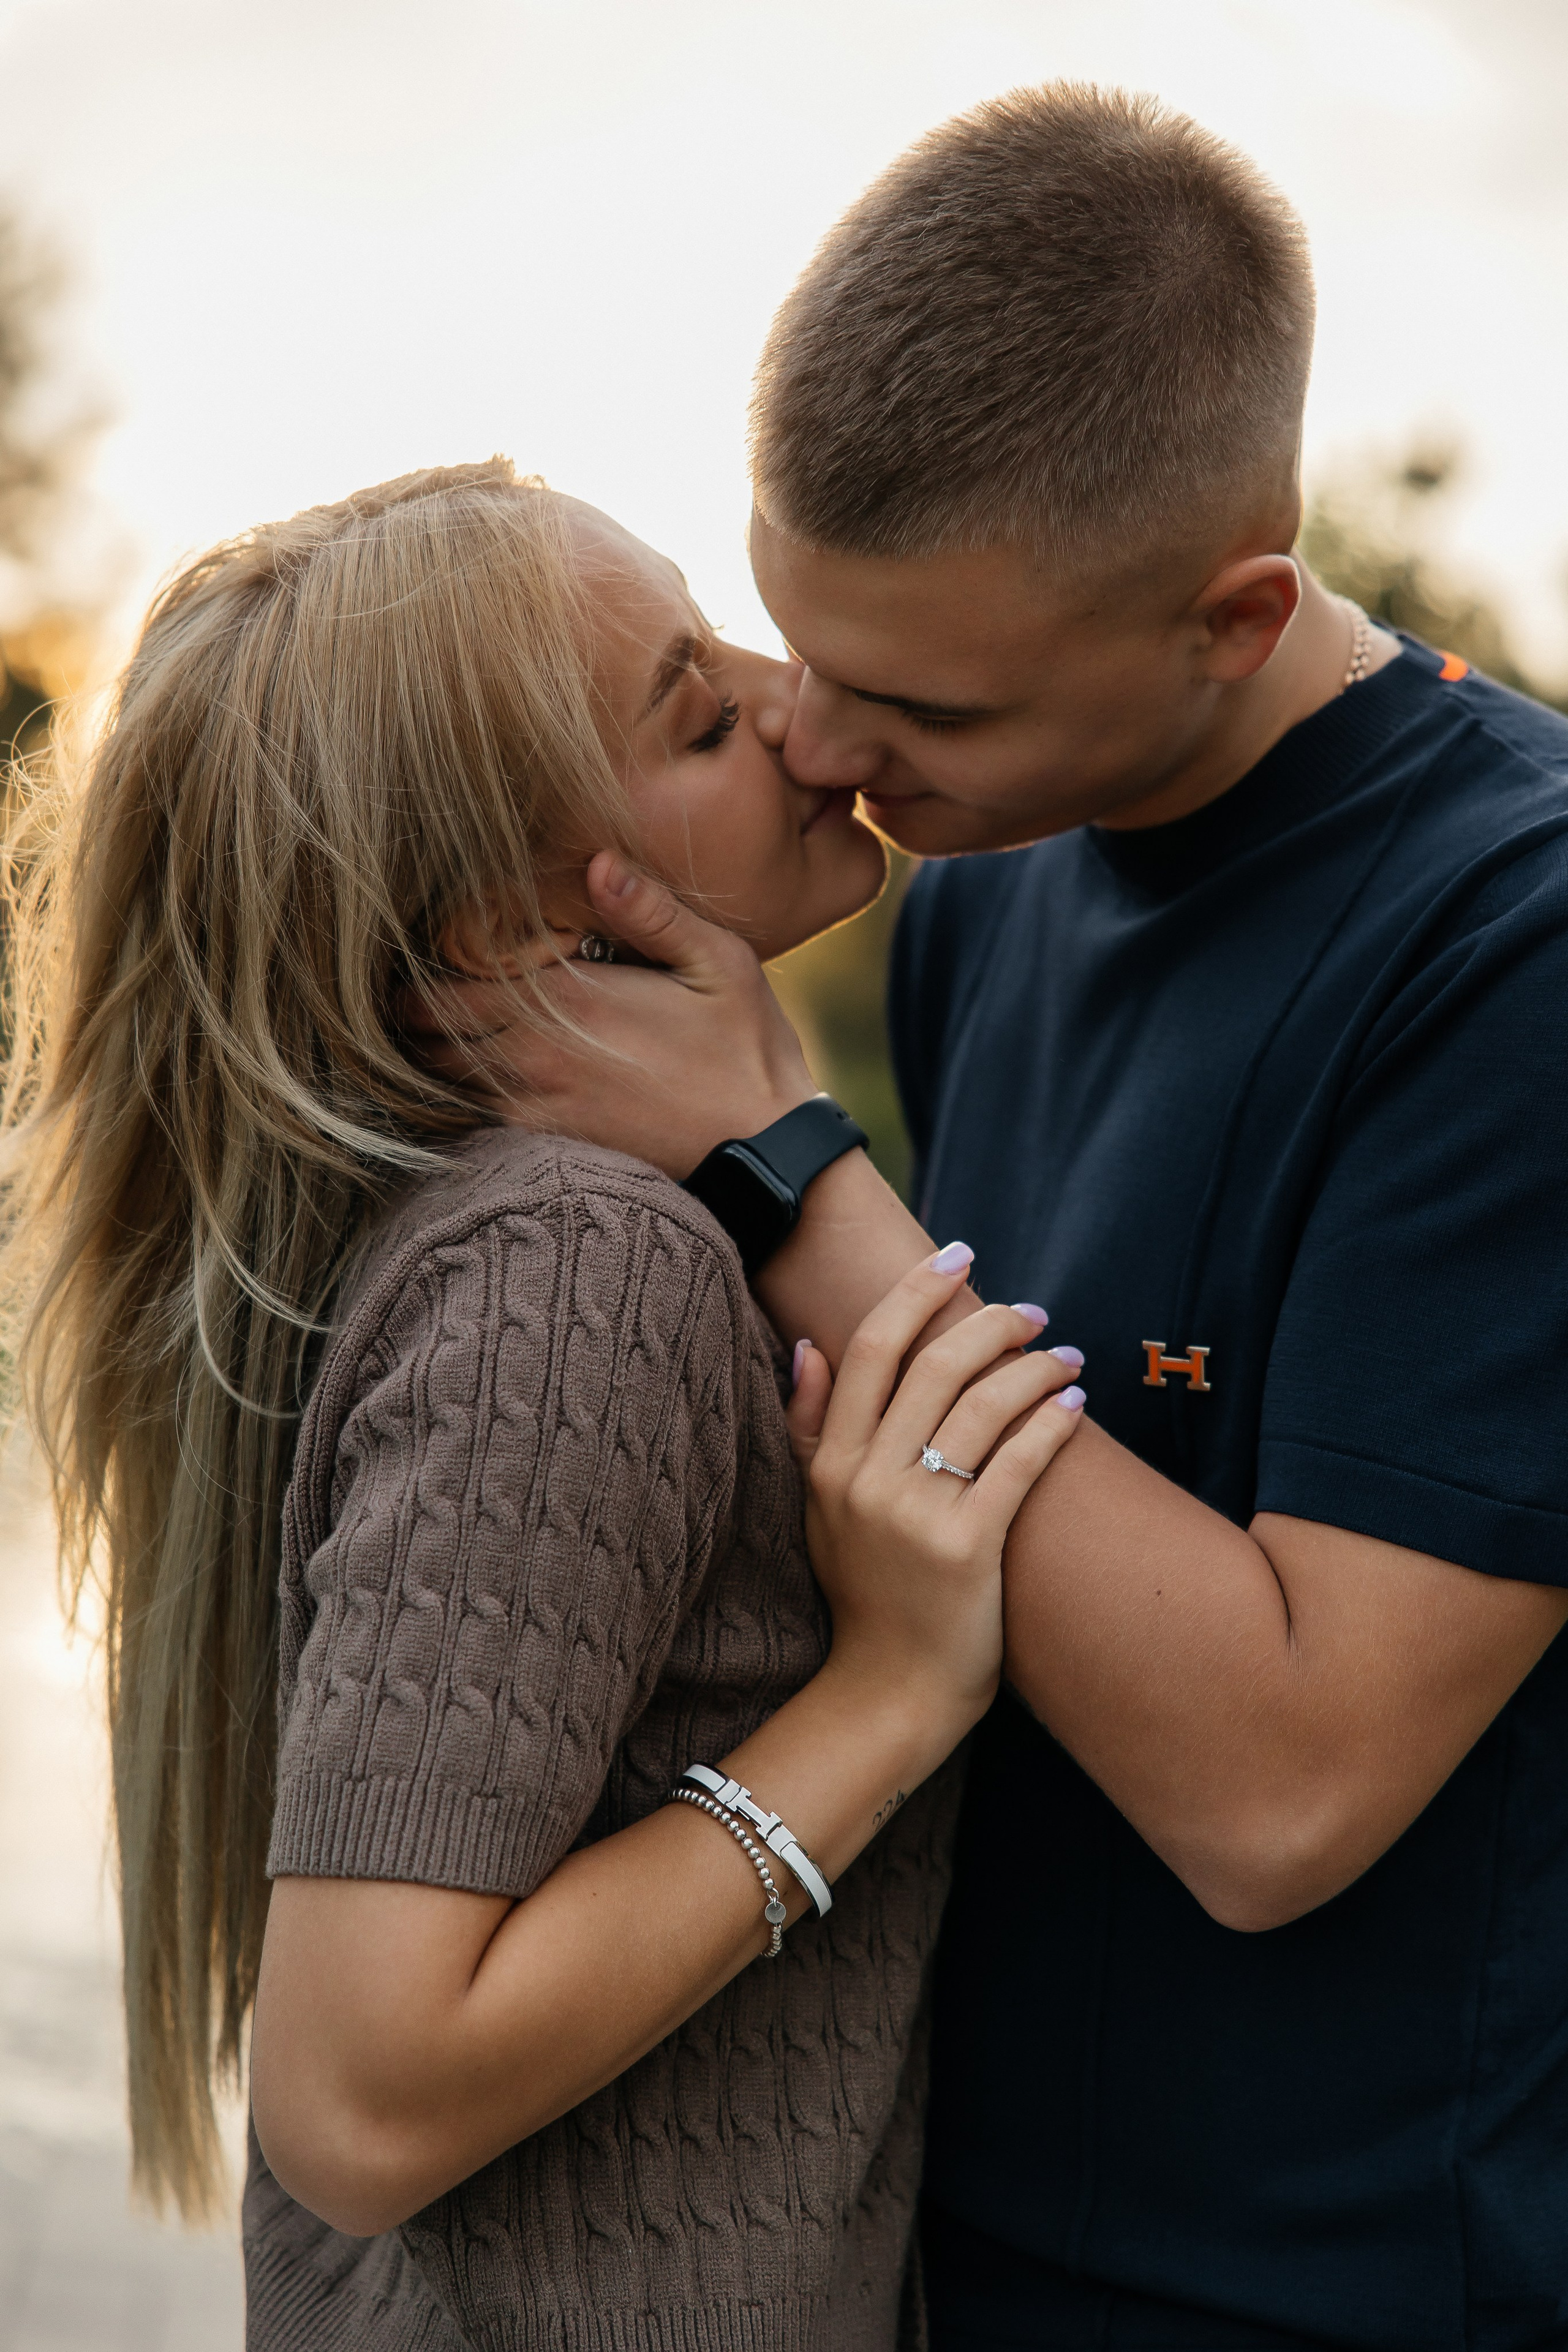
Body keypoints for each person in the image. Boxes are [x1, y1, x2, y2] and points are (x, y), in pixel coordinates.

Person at [427, 89, 1568, 2352]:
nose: (824, 747)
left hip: (1335, 2291)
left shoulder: (1511, 947)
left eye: (924, 700)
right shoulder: (986, 871)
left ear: (1233, 616)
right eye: (795, 643)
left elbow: (1284, 1789)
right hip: (922, 2239)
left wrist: (785, 1161)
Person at [0, 460, 1088, 2351]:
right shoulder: (580, 1268)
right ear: (514, 937)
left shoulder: (495, 1230)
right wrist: (891, 1698)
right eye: (694, 714)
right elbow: (364, 2100)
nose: (792, 702)